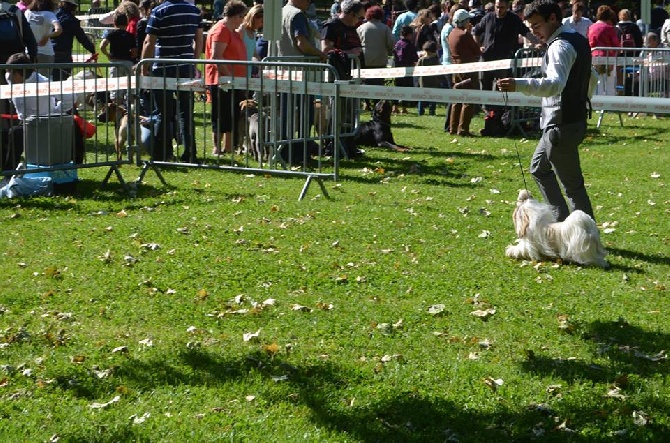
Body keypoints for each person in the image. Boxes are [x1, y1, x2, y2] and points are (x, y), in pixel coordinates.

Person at [497, 0, 598, 223]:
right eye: (530, 27)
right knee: (538, 168)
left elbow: (553, 85)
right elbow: (593, 77)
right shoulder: (578, 39)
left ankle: (588, 238)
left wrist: (518, 84)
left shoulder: (560, 46)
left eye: (536, 26)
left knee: (573, 188)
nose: (534, 32)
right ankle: (561, 224)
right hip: (568, 121)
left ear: (553, 18)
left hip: (561, 124)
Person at [141, 0, 203, 163]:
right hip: (185, 66)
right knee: (186, 112)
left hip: (163, 66)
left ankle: (164, 153)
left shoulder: (159, 11)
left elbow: (149, 41)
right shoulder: (194, 11)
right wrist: (194, 62)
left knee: (163, 112)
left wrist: (144, 67)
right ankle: (190, 153)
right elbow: (199, 40)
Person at [3, 52, 82, 170]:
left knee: (15, 134)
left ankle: (8, 172)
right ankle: (7, 171)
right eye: (7, 72)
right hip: (25, 123)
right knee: (6, 134)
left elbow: (70, 97)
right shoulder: (11, 77)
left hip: (45, 124)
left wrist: (54, 112)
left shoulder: (43, 83)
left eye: (11, 74)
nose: (8, 77)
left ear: (21, 73)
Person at [205, 0, 247, 156]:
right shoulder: (220, 30)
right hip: (221, 80)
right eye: (242, 16)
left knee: (231, 114)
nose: (243, 20)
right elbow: (217, 56)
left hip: (234, 81)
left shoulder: (233, 31)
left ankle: (228, 146)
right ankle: (217, 147)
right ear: (235, 16)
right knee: (220, 114)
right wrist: (229, 76)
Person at [472, 0, 538, 96]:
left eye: (502, 7)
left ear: (507, 7)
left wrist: (538, 43)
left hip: (503, 59)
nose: (499, 10)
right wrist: (478, 47)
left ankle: (499, 109)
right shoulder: (488, 18)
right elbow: (476, 31)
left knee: (501, 85)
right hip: (486, 57)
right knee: (483, 81)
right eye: (497, 7)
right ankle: (486, 108)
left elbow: (526, 32)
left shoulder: (514, 19)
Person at [448, 8, 480, 135]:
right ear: (464, 21)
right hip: (467, 69)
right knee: (468, 99)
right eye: (468, 20)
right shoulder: (465, 35)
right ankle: (463, 129)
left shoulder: (452, 33)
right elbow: (477, 50)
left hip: (456, 68)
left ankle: (453, 127)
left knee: (457, 99)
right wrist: (470, 33)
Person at [357, 4, 394, 110]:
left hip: (365, 60)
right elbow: (391, 43)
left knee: (365, 82)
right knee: (379, 83)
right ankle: (378, 104)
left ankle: (366, 103)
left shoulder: (361, 28)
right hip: (380, 61)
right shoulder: (385, 28)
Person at [52, 0, 97, 81]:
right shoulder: (72, 20)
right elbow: (82, 38)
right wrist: (92, 49)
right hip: (63, 54)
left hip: (49, 52)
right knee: (61, 83)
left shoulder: (53, 16)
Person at [100, 11, 136, 103]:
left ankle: (117, 110)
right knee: (129, 88)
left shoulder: (112, 34)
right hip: (128, 63)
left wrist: (108, 55)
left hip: (115, 63)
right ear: (127, 22)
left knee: (116, 88)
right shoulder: (131, 36)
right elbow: (134, 52)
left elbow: (102, 46)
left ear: (114, 22)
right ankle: (128, 110)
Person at [587, 5, 619, 97]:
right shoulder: (609, 28)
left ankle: (597, 103)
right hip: (608, 57)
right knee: (609, 81)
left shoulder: (591, 27)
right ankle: (609, 103)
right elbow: (616, 44)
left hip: (594, 56)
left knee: (597, 81)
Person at [25, 0, 62, 78]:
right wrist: (47, 36)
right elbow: (59, 30)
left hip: (29, 51)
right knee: (44, 82)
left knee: (28, 80)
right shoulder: (49, 15)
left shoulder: (27, 13)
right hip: (46, 53)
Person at [393, 25, 418, 114]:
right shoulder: (410, 45)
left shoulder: (397, 44)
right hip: (408, 69)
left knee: (398, 87)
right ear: (409, 35)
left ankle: (395, 107)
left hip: (398, 68)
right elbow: (415, 59)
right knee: (406, 88)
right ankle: (403, 108)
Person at [237, 3, 263, 78]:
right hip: (238, 71)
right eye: (261, 21)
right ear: (254, 18)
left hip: (247, 71)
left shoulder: (254, 33)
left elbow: (254, 54)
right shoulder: (241, 30)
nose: (262, 24)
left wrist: (260, 64)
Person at [417, 40, 442, 116]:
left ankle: (420, 111)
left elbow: (417, 68)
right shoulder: (436, 60)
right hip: (434, 81)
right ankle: (432, 111)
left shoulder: (422, 59)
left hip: (423, 81)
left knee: (422, 97)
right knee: (433, 97)